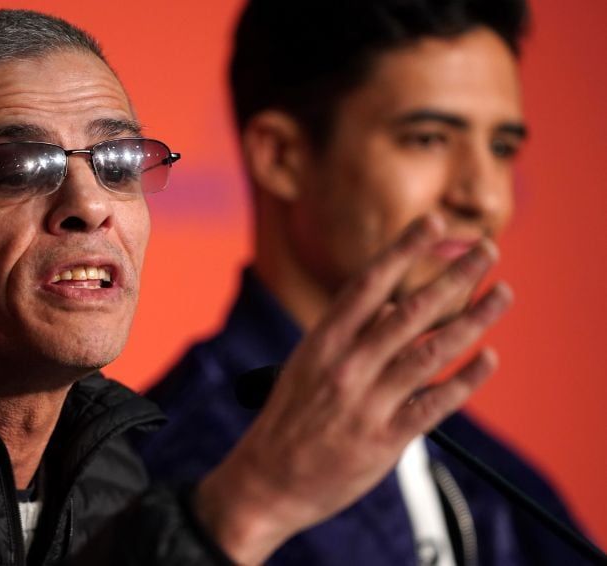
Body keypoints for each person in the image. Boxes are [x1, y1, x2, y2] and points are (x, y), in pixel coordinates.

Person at [0, 8, 514, 566]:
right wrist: (244, 509)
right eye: (18, 167)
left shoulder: (114, 458)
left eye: (118, 161)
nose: (90, 205)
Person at [138, 0, 585, 564]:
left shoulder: (506, 485)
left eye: (501, 148)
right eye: (428, 138)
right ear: (281, 156)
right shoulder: (154, 474)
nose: (486, 197)